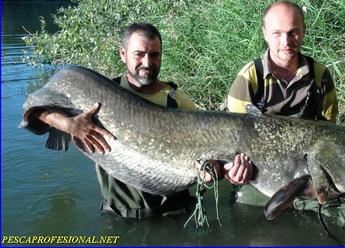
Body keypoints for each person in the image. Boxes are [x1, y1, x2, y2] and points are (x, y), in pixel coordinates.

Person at [21, 23, 252, 219]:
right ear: (122, 54)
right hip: (118, 215)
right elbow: (32, 109)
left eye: (154, 55)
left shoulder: (179, 101)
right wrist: (69, 125)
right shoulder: (96, 95)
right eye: (139, 54)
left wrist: (214, 172)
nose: (148, 62)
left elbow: (209, 165)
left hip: (174, 215)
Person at [226, 0, 345, 236]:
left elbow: (331, 139)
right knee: (243, 218)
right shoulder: (249, 78)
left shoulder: (320, 75)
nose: (286, 42)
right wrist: (233, 171)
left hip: (312, 178)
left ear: (303, 31)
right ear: (264, 33)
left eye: (293, 32)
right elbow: (231, 142)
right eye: (277, 33)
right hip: (259, 181)